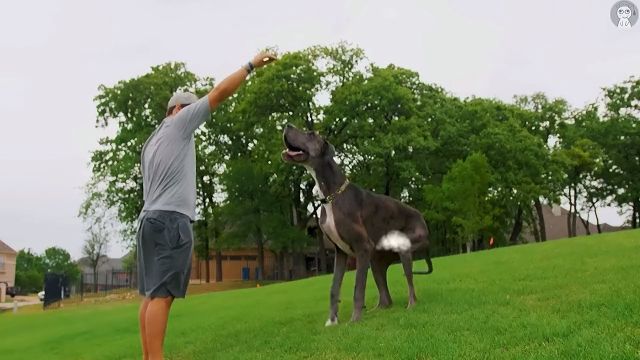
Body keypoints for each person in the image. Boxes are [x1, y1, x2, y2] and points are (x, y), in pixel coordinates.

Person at [136, 51, 277, 360]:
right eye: (191, 108)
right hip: (171, 221)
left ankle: (148, 357)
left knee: (151, 295)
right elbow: (218, 93)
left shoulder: (151, 141)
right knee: (162, 296)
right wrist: (251, 66)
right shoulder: (180, 121)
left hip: (148, 222)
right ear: (179, 109)